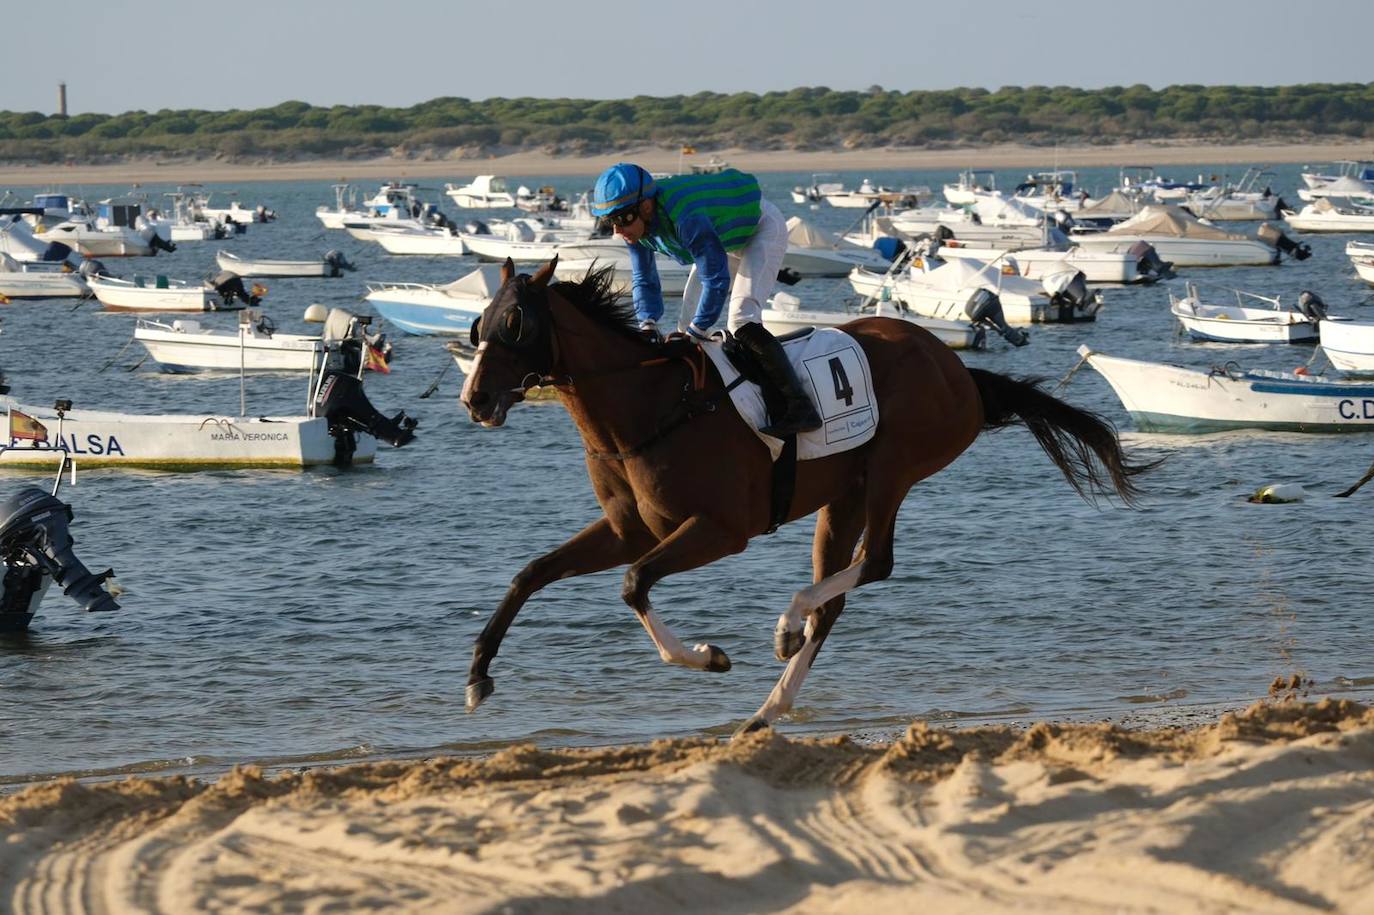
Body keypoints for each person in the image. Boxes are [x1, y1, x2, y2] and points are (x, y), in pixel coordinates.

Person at [589, 163, 821, 437]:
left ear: (647, 207)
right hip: (723, 238)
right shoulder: (634, 228)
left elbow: (716, 280)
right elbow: (644, 279)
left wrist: (695, 333)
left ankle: (800, 405)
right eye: (610, 222)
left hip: (760, 229)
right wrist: (648, 325)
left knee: (741, 320)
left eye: (623, 218)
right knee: (683, 325)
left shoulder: (687, 218)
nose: (618, 230)